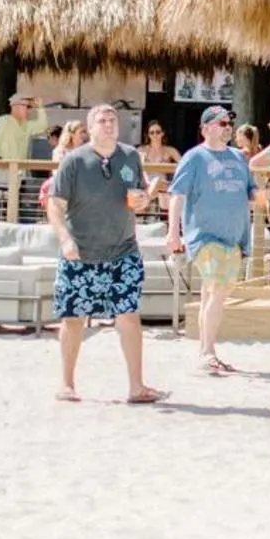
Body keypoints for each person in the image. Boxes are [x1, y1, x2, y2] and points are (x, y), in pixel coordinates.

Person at [47, 102, 159, 404]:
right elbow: (55, 205)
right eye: (102, 121)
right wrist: (65, 240)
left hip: (124, 249)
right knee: (73, 318)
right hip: (81, 252)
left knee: (129, 315)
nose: (109, 125)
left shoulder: (131, 156)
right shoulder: (73, 161)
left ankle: (136, 386)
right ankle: (66, 384)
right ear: (90, 127)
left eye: (113, 120)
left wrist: (144, 200)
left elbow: (139, 195)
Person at [166, 105, 260, 375]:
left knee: (212, 292)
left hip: (235, 236)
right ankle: (207, 352)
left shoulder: (238, 157)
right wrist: (173, 231)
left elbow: (250, 190)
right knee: (218, 290)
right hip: (204, 235)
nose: (227, 128)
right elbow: (177, 195)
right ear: (205, 128)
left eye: (229, 123)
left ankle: (205, 352)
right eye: (221, 123)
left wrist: (260, 196)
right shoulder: (194, 157)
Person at [0, 92, 50, 162]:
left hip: (20, 167)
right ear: (14, 106)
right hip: (3, 166)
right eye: (27, 106)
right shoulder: (3, 121)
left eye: (30, 107)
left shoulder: (27, 125)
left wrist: (40, 107)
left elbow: (43, 126)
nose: (29, 110)